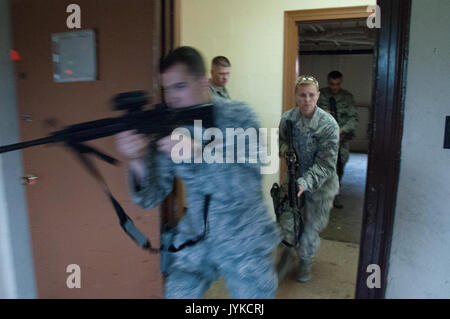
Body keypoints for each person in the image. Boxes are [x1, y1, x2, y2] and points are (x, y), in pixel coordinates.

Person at [115, 46, 280, 298]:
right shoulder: (170, 124)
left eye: (179, 86)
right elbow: (151, 197)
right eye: (166, 88)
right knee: (177, 293)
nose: (171, 98)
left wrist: (200, 154)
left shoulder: (239, 117)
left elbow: (247, 186)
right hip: (197, 234)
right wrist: (137, 160)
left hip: (243, 234)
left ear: (204, 82)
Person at [277, 75, 339, 283]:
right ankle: (288, 252)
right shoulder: (288, 118)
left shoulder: (328, 125)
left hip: (322, 184)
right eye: (302, 95)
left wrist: (304, 183)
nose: (307, 99)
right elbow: (281, 142)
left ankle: (305, 259)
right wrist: (287, 151)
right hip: (294, 176)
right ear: (295, 96)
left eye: (311, 95)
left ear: (318, 96)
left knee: (311, 226)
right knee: (287, 219)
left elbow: (326, 165)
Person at [317, 71, 358, 209]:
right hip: (322, 140)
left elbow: (354, 119)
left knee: (339, 168)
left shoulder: (347, 97)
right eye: (331, 84)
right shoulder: (320, 95)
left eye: (337, 84)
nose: (334, 87)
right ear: (328, 82)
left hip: (341, 141)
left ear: (341, 82)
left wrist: (341, 130)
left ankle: (334, 196)